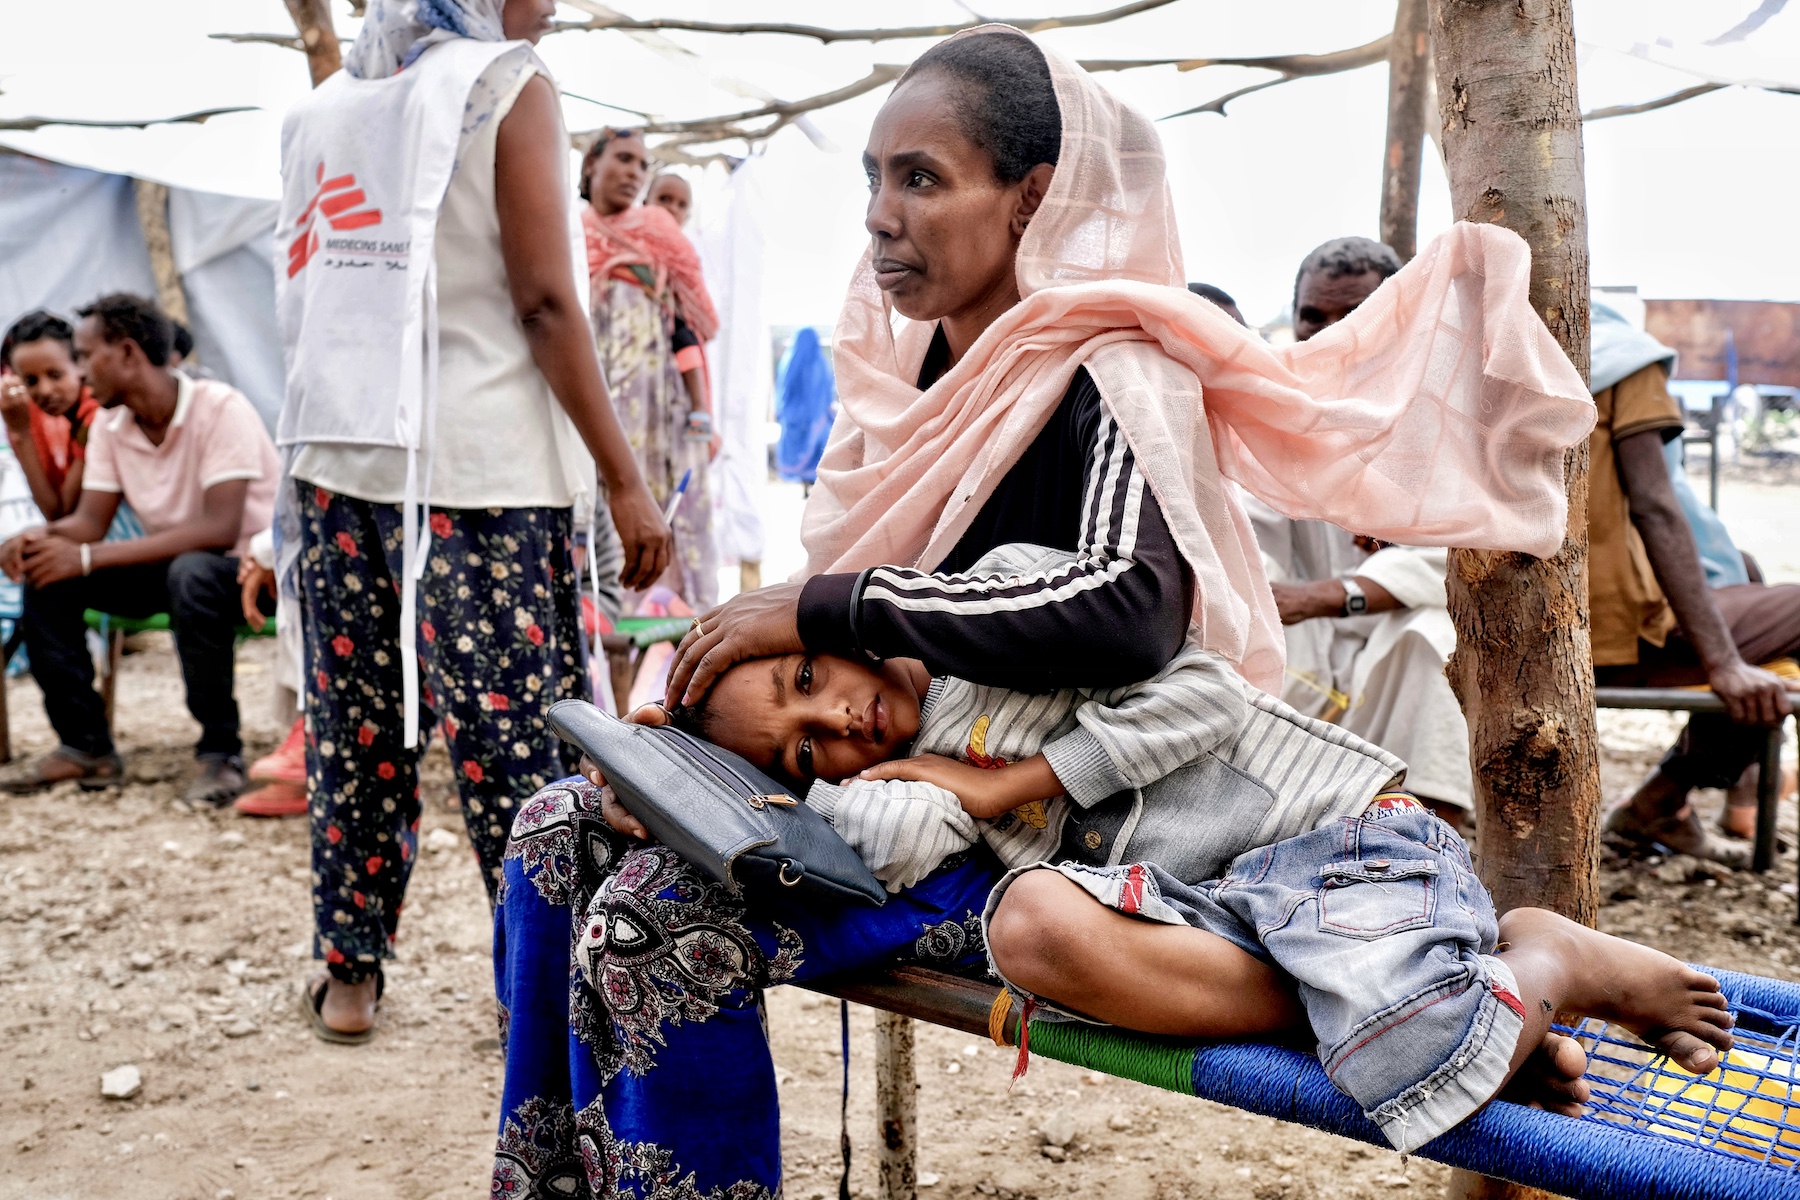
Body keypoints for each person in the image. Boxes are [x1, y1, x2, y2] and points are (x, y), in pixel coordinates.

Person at [491, 26, 1597, 1197]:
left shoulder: (1115, 370)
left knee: (655, 918)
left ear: (1032, 196)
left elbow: (1132, 610)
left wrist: (836, 607)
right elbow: (811, 655)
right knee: (558, 829)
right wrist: (673, 752)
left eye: (922, 179)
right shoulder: (904, 377)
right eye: (874, 178)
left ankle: (1427, 1001)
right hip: (884, 784)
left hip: (1047, 834)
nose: (880, 216)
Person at [640, 544, 1731, 1152]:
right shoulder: (902, 777)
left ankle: (1544, 956)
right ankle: (1442, 1011)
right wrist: (682, 782)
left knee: (1406, 1056)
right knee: (1030, 925)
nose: (837, 723)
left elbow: (1205, 692)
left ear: (822, 627)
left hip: (1335, 850)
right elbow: (888, 843)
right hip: (1212, 915)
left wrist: (1013, 782)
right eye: (806, 750)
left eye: (806, 679)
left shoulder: (995, 607)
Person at [277, 0, 672, 1042]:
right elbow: (544, 302)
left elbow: (307, 291)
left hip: (339, 459)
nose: (551, 5)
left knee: (356, 729)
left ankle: (350, 976)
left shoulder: (326, 105)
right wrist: (624, 479)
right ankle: (533, 989)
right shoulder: (507, 82)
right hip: (479, 476)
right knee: (516, 746)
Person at [0, 293, 278, 802]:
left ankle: (220, 754)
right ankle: (86, 746)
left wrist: (86, 556)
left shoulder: (220, 407)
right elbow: (88, 522)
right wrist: (37, 539)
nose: (82, 371)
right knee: (48, 573)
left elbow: (219, 529)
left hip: (252, 576)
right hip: (173, 570)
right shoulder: (111, 425)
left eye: (86, 356)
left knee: (192, 573)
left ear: (127, 353)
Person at [1245, 236, 1474, 823]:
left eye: (1353, 316)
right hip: (1301, 651)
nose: (1331, 336)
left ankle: (1426, 840)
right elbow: (1246, 539)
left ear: (1398, 317)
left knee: (1434, 640)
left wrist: (1329, 596)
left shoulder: (1447, 409)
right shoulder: (1272, 411)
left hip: (1394, 637)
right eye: (1313, 318)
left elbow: (1458, 554)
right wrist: (1278, 599)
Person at [1586, 306, 1799, 865]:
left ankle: (1688, 800)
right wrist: (1723, 663)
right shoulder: (1618, 358)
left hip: (1523, 627)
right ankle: (1672, 796)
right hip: (1604, 636)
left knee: (1744, 571)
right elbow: (1655, 507)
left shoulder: (1487, 354)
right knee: (1778, 627)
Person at [582, 131, 722, 607]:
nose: (633, 172)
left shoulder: (657, 230)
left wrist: (700, 407)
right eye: (623, 159)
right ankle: (605, 611)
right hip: (589, 386)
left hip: (654, 399)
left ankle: (668, 614)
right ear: (591, 165)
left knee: (660, 497)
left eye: (641, 164)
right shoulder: (566, 233)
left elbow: (698, 323)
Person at [1, 311, 102, 521]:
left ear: (80, 365)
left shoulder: (94, 416)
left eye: (55, 375)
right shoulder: (75, 419)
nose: (45, 390)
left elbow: (58, 512)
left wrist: (21, 433)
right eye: (31, 381)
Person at [773, 326, 834, 486]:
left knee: (800, 450)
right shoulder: (820, 363)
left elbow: (782, 390)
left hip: (793, 417)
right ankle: (812, 482)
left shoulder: (789, 361)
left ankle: (804, 483)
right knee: (816, 450)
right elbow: (827, 389)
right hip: (817, 416)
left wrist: (782, 411)